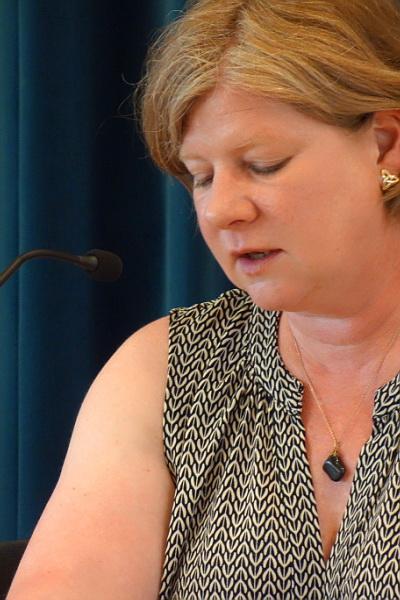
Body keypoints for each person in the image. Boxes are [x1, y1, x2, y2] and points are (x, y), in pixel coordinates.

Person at [7, 0, 400, 598]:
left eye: (262, 165)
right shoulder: (165, 368)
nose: (219, 211)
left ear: (385, 145)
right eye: (201, 176)